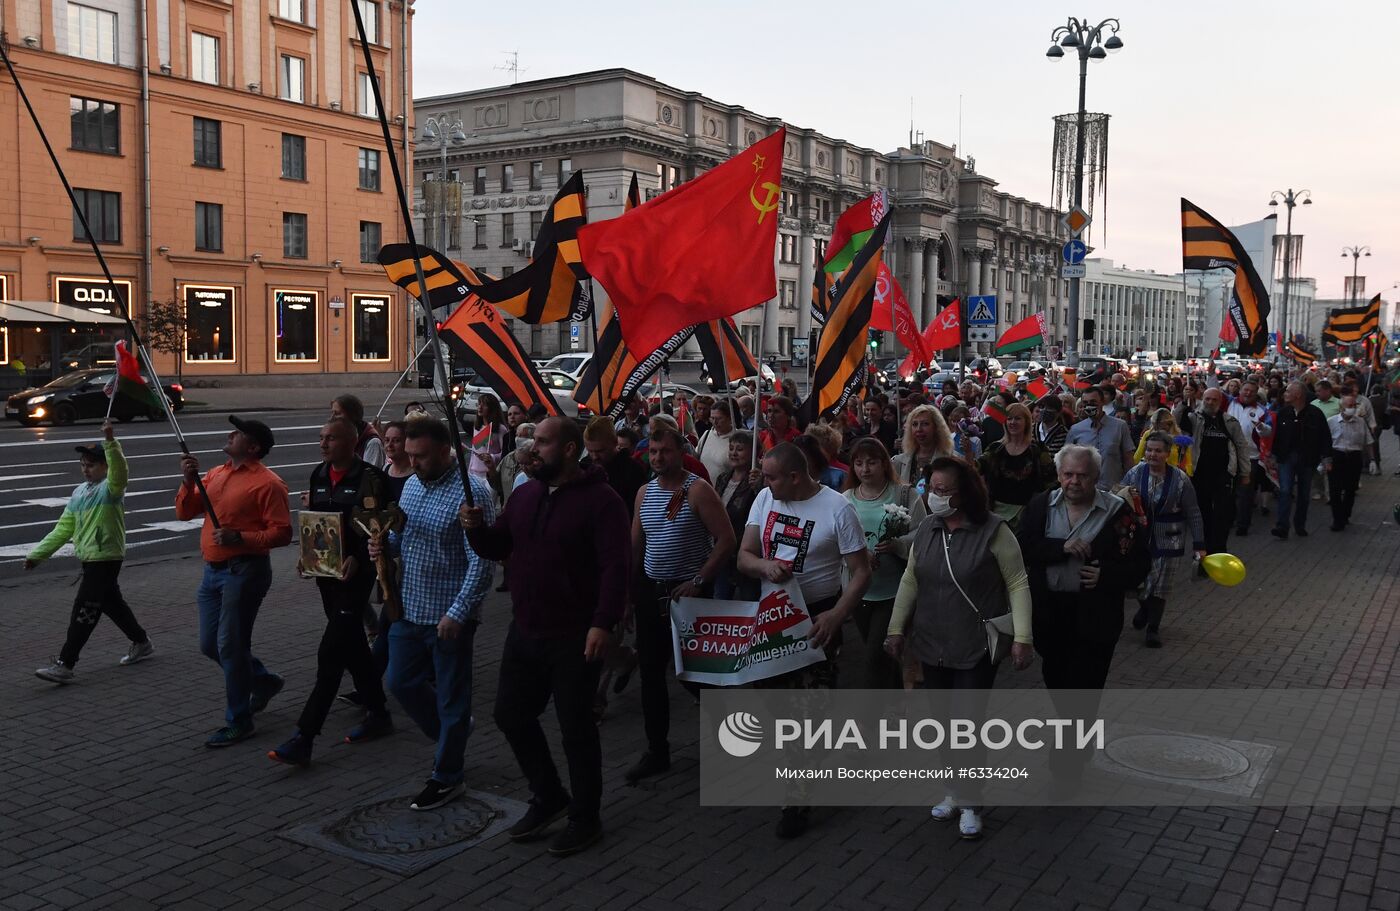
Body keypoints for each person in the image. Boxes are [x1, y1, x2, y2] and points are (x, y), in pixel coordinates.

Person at [461, 417, 630, 857]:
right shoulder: (525, 494)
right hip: (527, 627)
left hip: (575, 633)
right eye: (532, 441)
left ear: (571, 449)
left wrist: (603, 622)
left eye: (542, 442)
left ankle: (585, 816)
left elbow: (616, 567)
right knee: (510, 714)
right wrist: (476, 528)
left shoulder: (602, 501)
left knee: (576, 728)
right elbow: (499, 546)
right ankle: (549, 795)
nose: (532, 448)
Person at [884, 457, 1034, 839]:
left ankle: (970, 800)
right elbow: (909, 581)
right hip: (932, 642)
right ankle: (953, 789)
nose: (937, 496)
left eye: (945, 490)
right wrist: (896, 629)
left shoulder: (994, 531)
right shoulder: (928, 530)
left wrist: (1022, 638)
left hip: (974, 646)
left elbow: (1017, 583)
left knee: (966, 725)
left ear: (965, 492)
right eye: (932, 488)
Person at [737, 442, 871, 839]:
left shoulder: (837, 509)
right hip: (773, 618)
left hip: (817, 619)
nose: (764, 481)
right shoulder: (764, 499)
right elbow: (743, 556)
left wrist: (837, 615)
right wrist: (765, 565)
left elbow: (861, 571)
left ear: (795, 476)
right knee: (777, 705)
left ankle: (797, 797)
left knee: (810, 710)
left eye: (773, 476)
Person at [372, 418, 496, 811]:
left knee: (453, 698)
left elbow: (483, 561)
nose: (413, 462)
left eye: (420, 456)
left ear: (446, 451)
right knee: (400, 682)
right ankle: (451, 735)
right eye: (409, 455)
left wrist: (459, 612)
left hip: (449, 616)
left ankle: (447, 776)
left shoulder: (472, 493)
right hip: (408, 608)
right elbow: (401, 538)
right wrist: (383, 544)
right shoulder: (410, 485)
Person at [1016, 445, 1149, 789]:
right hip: (1050, 614)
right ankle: (1079, 736)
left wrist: (1107, 577)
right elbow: (1023, 547)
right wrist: (1059, 548)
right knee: (1058, 680)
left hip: (1096, 618)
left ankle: (1066, 762)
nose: (1074, 482)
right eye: (1068, 475)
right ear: (1059, 475)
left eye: (1082, 475)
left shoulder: (1118, 512)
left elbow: (1140, 564)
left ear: (1095, 477)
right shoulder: (1040, 505)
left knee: (1084, 686)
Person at [269, 419, 394, 768]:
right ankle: (380, 713)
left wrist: (359, 556)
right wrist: (306, 555)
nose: (323, 444)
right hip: (327, 577)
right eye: (321, 437)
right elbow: (316, 522)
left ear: (352, 442)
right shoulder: (319, 475)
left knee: (331, 654)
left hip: (356, 579)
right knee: (353, 648)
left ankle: (304, 737)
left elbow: (380, 527)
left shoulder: (371, 478)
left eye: (331, 438)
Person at [626, 426, 735, 783]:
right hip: (651, 592)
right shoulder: (644, 493)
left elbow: (725, 540)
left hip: (687, 594)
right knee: (652, 674)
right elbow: (636, 545)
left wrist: (699, 580)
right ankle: (656, 749)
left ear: (681, 452)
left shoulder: (698, 490)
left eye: (665, 451)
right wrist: (632, 593)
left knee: (697, 673)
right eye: (653, 452)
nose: (658, 458)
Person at [176, 416, 293, 747]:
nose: (230, 435)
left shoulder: (268, 483)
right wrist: (188, 481)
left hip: (245, 572)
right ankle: (263, 681)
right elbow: (185, 513)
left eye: (238, 433)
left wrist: (238, 537)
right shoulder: (217, 473)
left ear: (253, 447)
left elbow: (282, 533)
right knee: (210, 644)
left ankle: (240, 719)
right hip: (212, 571)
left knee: (229, 645)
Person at [28, 420, 153, 683]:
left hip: (106, 556)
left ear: (105, 467)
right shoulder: (78, 493)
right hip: (89, 558)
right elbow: (63, 528)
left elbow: (121, 470)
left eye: (92, 465)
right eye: (83, 465)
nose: (86, 469)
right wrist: (38, 555)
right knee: (112, 604)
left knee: (85, 608)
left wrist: (110, 441)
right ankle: (141, 642)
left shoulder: (112, 489)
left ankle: (66, 663)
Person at [842, 438, 926, 690]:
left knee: (874, 656)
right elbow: (835, 539)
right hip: (860, 590)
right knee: (883, 653)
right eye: (859, 463)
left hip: (895, 590)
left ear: (883, 464)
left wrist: (897, 545)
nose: (865, 469)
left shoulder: (904, 494)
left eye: (871, 462)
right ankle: (896, 703)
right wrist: (855, 556)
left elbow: (923, 533)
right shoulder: (845, 499)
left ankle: (867, 717)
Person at [1121, 432, 1206, 648]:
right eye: (1149, 450)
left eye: (1158, 451)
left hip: (1169, 539)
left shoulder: (1180, 479)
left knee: (1160, 585)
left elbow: (1193, 512)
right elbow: (1119, 499)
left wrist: (1199, 545)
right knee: (1138, 580)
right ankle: (1144, 608)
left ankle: (1153, 628)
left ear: (1168, 453)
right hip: (1139, 538)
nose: (1152, 454)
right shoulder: (1135, 473)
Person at [1186, 388, 1251, 557]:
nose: (1210, 402)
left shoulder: (1229, 422)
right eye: (1207, 399)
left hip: (1223, 476)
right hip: (1199, 475)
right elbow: (1175, 425)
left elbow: (1242, 447)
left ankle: (1219, 550)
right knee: (1202, 515)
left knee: (1223, 515)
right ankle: (1202, 552)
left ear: (1220, 401)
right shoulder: (1193, 418)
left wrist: (1245, 472)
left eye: (1214, 399)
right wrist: (1184, 401)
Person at [1269, 381, 1333, 539]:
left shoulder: (1315, 414)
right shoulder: (1284, 412)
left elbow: (1325, 437)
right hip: (1286, 458)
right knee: (1284, 491)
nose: (1285, 394)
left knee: (1303, 494)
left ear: (1297, 395)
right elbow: (1278, 436)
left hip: (1307, 458)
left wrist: (1326, 458)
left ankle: (1300, 524)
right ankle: (1282, 526)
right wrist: (1273, 455)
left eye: (1288, 391)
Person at [977, 402, 1057, 528]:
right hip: (996, 513)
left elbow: (1051, 480)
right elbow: (977, 467)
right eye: (1009, 418)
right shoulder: (995, 448)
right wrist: (968, 454)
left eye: (1017, 418)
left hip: (1029, 514)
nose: (1012, 422)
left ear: (1026, 422)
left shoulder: (1038, 449)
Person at [711, 431, 761, 601]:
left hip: (745, 552)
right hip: (722, 552)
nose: (733, 453)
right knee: (720, 600)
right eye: (731, 448)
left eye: (739, 449)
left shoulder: (758, 480)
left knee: (749, 603)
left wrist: (760, 487)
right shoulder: (723, 478)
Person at [1067, 386, 1135, 489]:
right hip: (1085, 490)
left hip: (1113, 490)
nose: (1089, 406)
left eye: (1093, 402)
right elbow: (1068, 460)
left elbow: (1128, 459)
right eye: (1085, 403)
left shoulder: (1120, 426)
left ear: (1102, 402)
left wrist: (1127, 486)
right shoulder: (1075, 430)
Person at [583, 417, 648, 512]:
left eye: (600, 451)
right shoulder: (584, 467)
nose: (594, 457)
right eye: (590, 451)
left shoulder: (632, 470)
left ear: (614, 443)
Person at [1326, 391, 1368, 531]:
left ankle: (1345, 514)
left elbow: (1367, 441)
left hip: (1354, 457)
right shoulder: (1331, 422)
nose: (1352, 407)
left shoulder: (1360, 422)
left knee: (1350, 489)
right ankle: (1338, 519)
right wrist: (1325, 460)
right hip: (1337, 456)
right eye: (1349, 405)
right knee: (1335, 490)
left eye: (1354, 405)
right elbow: (1326, 443)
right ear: (1342, 407)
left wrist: (1372, 459)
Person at [893, 405, 953, 491]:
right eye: (915, 424)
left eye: (925, 424)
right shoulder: (899, 461)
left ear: (936, 428)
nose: (919, 429)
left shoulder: (950, 459)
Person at [331, 394, 385, 469]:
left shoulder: (372, 442)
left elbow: (369, 476)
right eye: (332, 413)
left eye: (337, 413)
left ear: (352, 415)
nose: (332, 418)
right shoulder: (338, 438)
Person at [694, 398, 737, 482]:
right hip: (703, 487)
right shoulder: (706, 435)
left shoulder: (736, 437)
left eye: (719, 418)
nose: (715, 422)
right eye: (712, 418)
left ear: (729, 418)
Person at [470, 393, 511, 482]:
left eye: (484, 405)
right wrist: (469, 470)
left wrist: (492, 457)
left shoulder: (500, 429)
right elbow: (474, 451)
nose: (480, 407)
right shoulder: (477, 427)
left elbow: (506, 454)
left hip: (490, 475)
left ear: (492, 408)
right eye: (479, 404)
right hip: (474, 473)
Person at [494, 422, 537, 505]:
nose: (523, 468)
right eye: (517, 435)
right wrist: (491, 468)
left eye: (522, 436)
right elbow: (499, 485)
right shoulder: (509, 459)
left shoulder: (545, 481)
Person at [380, 421, 414, 502]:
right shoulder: (384, 470)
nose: (390, 445)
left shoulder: (417, 475)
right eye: (387, 440)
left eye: (396, 440)